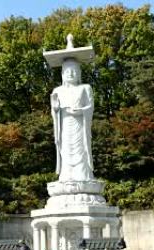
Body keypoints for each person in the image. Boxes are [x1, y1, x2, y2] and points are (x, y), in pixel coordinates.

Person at [49, 35, 95, 182]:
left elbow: (90, 107)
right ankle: (66, 175)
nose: (71, 73)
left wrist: (81, 111)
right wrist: (55, 109)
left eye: (74, 70)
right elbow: (54, 111)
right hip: (64, 127)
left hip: (80, 126)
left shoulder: (85, 88)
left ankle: (83, 176)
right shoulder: (57, 90)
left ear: (79, 72)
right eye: (67, 71)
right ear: (62, 74)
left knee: (81, 150)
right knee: (66, 150)